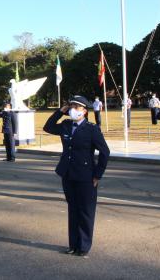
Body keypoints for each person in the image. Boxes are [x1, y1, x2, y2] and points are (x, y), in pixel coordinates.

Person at [43, 95, 110, 257]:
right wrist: (60, 111)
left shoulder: (92, 129)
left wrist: (97, 174)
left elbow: (105, 152)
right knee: (73, 210)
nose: (73, 109)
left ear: (85, 111)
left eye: (77, 107)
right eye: (71, 106)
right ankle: (73, 244)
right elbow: (48, 127)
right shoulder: (66, 125)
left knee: (85, 211)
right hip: (68, 173)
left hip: (86, 176)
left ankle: (84, 246)